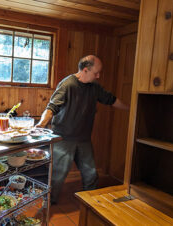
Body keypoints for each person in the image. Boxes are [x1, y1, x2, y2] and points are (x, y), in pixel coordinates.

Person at [36, 55, 128, 204]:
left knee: (91, 173)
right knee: (57, 176)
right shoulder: (67, 85)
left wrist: (131, 109)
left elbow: (111, 100)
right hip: (63, 138)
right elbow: (51, 107)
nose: (98, 76)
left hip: (84, 139)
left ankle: (89, 204)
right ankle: (49, 203)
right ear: (85, 70)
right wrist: (40, 125)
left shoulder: (95, 87)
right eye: (96, 73)